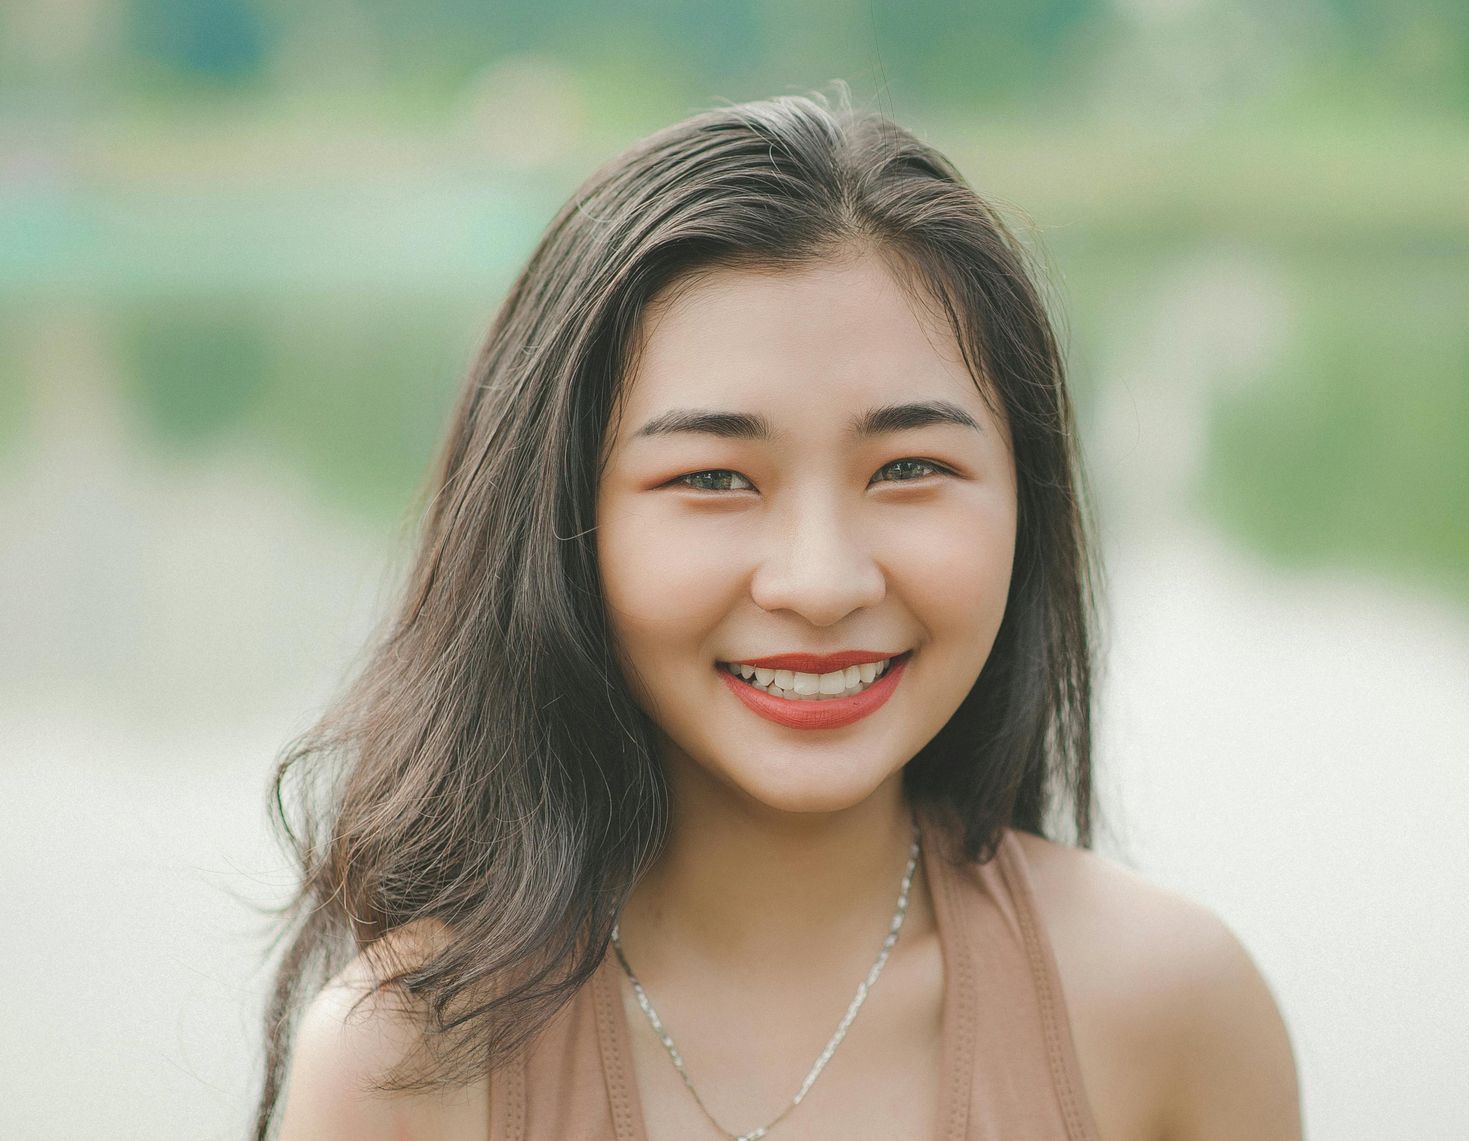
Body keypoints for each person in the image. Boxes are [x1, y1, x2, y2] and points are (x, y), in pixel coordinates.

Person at [255, 87, 1301, 1141]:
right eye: (712, 478)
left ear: (1026, 498)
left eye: (906, 466)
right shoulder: (410, 1062)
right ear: (561, 519)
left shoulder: (1171, 1010)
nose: (818, 582)